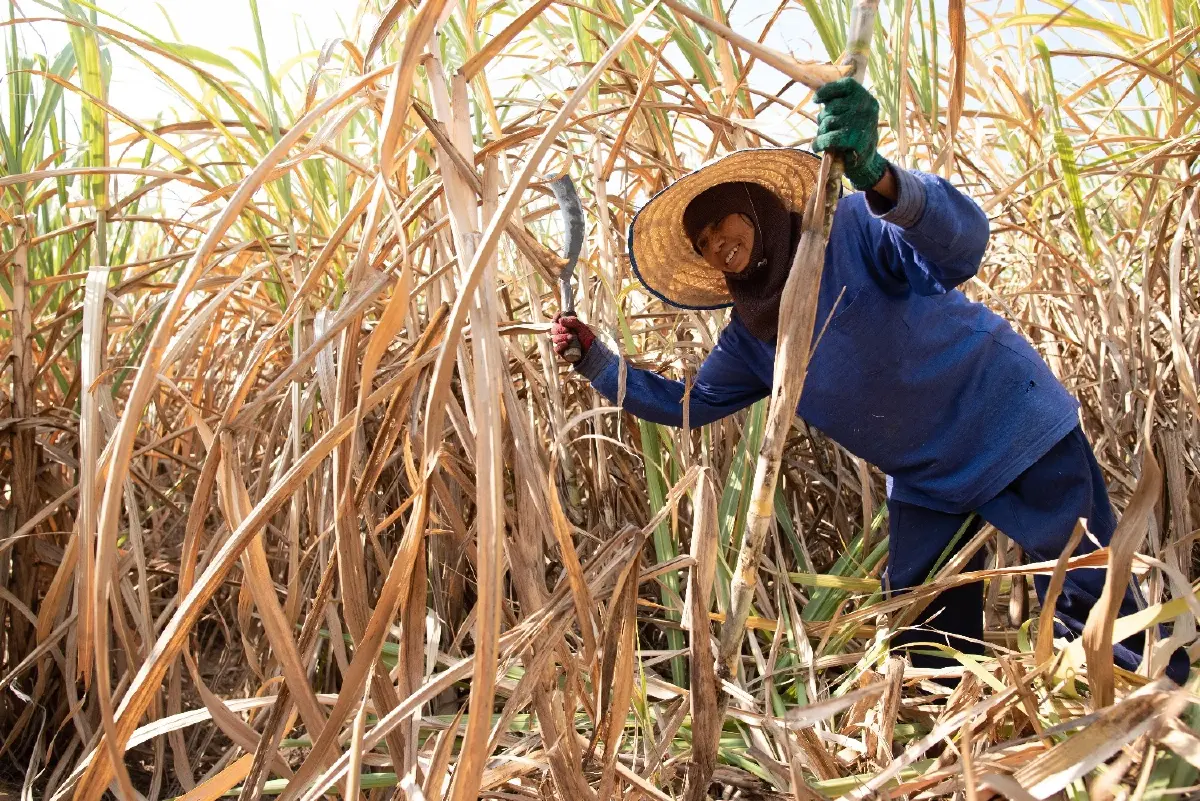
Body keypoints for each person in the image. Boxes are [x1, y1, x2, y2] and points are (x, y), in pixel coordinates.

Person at [550, 78, 1190, 683]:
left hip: (1007, 420)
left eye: (723, 224)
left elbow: (962, 246)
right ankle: (948, 739)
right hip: (927, 476)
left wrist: (879, 176)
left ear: (758, 210)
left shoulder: (851, 228)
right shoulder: (751, 339)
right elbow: (688, 405)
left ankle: (1151, 713)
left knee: (1092, 587)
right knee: (923, 624)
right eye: (703, 241)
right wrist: (596, 361)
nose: (717, 244)